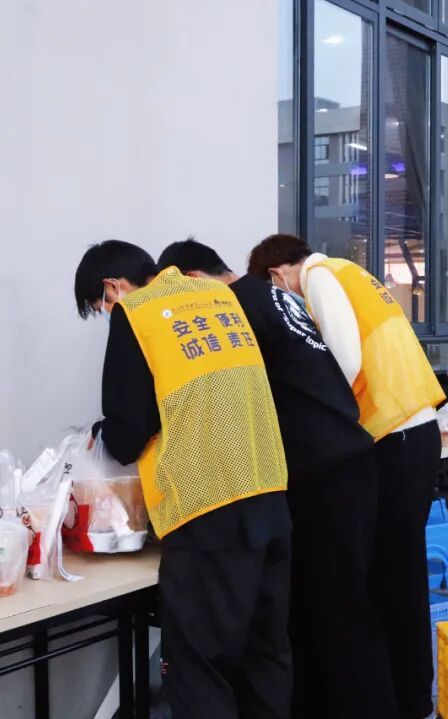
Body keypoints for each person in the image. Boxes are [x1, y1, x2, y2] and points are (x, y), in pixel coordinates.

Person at [157, 238, 398, 718]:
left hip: (321, 471)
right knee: (337, 607)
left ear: (195, 280)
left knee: (335, 611)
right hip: (348, 455)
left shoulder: (236, 307)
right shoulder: (271, 296)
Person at [74, 240, 292, 719]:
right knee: (265, 655)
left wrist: (99, 437)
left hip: (206, 508)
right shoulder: (218, 296)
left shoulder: (135, 313)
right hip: (270, 494)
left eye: (100, 304)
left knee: (199, 669)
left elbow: (129, 431)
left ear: (113, 287)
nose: (107, 312)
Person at [247, 234, 446, 719]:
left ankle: (406, 696)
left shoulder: (319, 275)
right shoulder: (354, 274)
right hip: (414, 429)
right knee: (402, 572)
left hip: (392, 434)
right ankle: (411, 694)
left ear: (277, 275)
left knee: (390, 578)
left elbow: (344, 361)